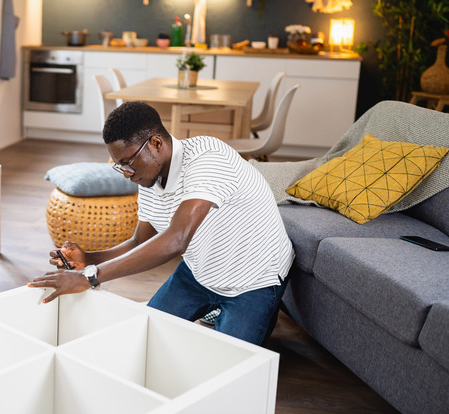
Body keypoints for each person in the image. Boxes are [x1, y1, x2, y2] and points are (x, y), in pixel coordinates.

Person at [28, 101, 294, 346]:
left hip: (255, 278)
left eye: (128, 163)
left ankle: (265, 309)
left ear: (156, 143)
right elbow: (140, 241)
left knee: (227, 359)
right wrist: (89, 258)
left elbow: (176, 240)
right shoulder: (149, 176)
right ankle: (218, 310)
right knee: (146, 335)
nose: (126, 174)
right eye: (120, 167)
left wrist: (90, 278)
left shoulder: (209, 159)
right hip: (200, 272)